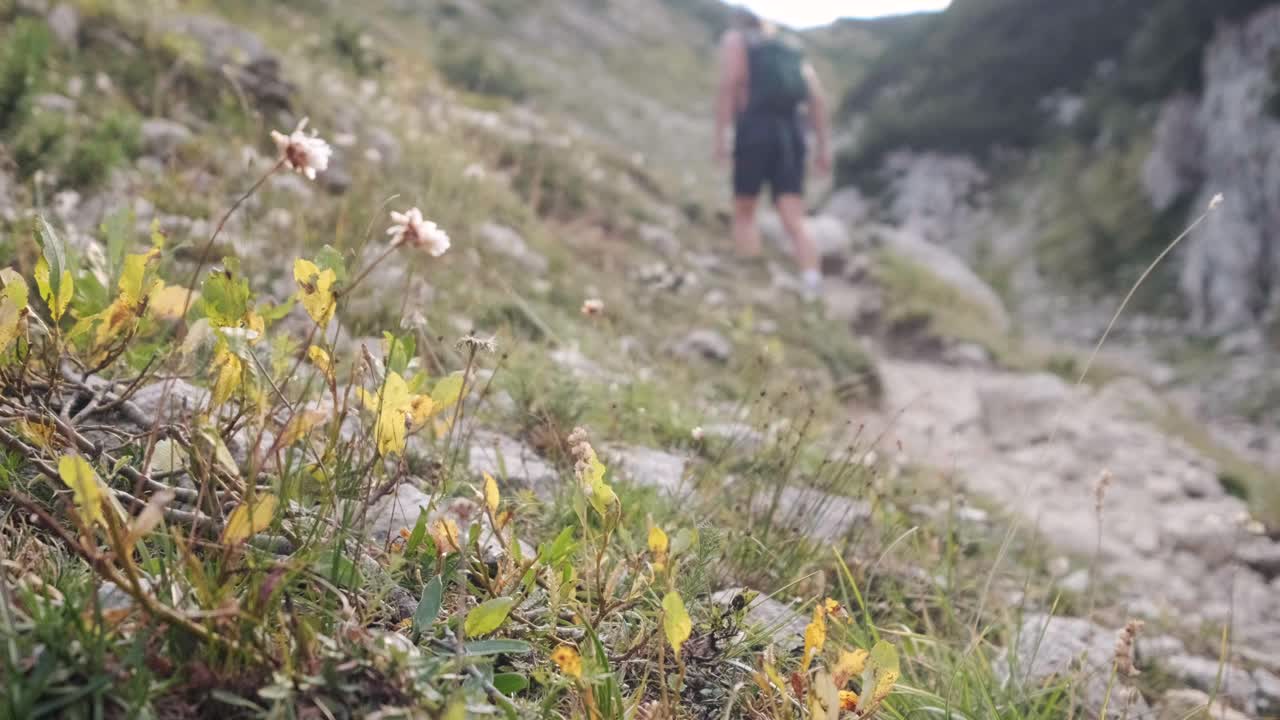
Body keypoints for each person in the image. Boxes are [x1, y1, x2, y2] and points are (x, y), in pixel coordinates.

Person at [714, 7, 831, 300]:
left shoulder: (736, 40)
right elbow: (817, 99)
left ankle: (751, 281)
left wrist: (722, 138)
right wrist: (822, 148)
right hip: (792, 134)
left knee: (745, 211)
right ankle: (812, 284)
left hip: (755, 129)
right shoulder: (790, 50)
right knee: (794, 217)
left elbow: (731, 83)